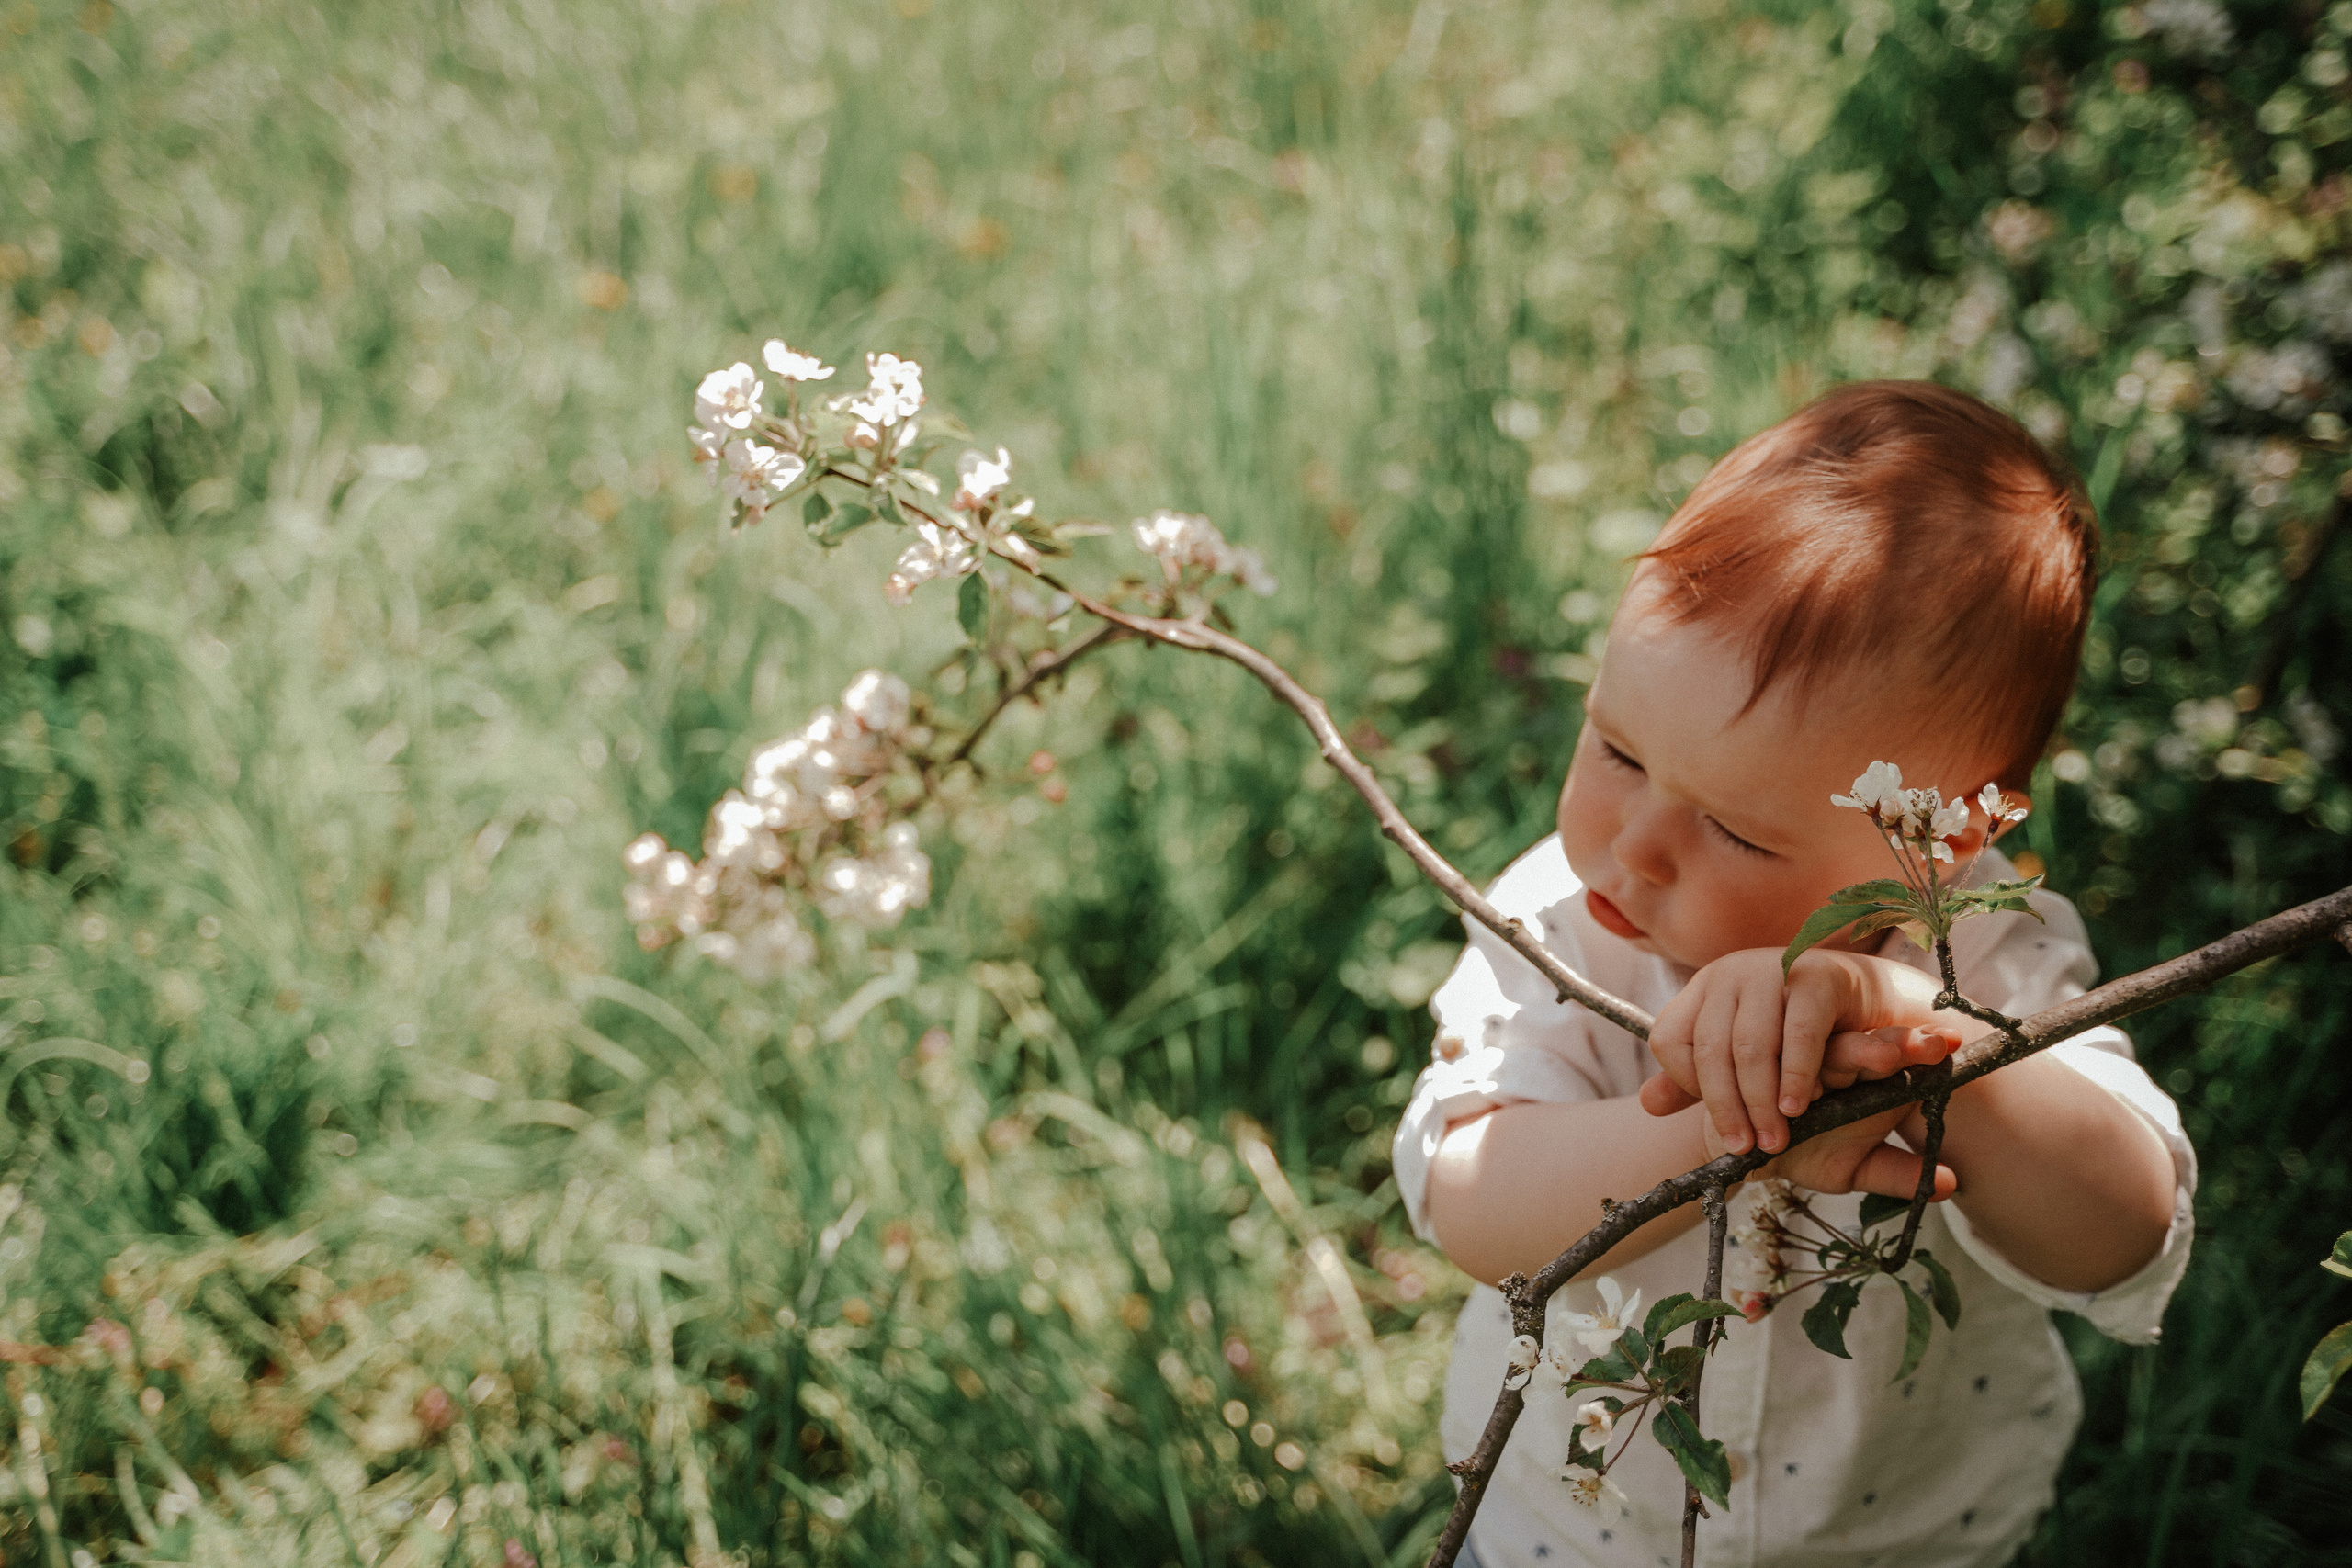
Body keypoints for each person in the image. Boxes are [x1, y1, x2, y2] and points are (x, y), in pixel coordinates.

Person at [1393, 382, 2195, 1568]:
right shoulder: (1560, 927)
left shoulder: (1974, 965)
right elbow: (1475, 1199)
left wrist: (1941, 1059)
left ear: (1940, 839)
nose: (1634, 846)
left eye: (1740, 834)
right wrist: (1735, 1120)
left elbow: (2128, 1232)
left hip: (1916, 1541)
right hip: (1564, 1535)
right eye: (1614, 748)